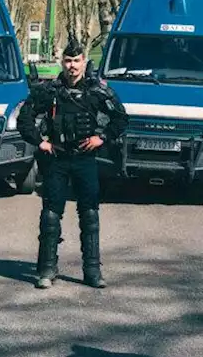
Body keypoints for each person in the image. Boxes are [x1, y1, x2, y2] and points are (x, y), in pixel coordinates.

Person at [17, 36, 128, 290]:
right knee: (50, 215)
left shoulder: (96, 91)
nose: (72, 66)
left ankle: (92, 271)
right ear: (62, 62)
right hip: (57, 158)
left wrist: (102, 138)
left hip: (85, 159)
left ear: (84, 61)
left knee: (89, 214)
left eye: (76, 60)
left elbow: (121, 119)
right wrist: (40, 142)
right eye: (67, 61)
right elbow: (24, 117)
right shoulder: (50, 92)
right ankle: (46, 268)